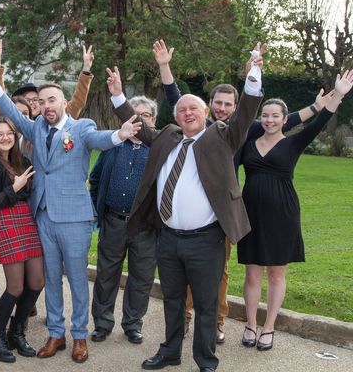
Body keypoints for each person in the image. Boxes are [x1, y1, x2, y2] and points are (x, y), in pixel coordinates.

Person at [152, 39, 334, 342]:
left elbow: (282, 120)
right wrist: (164, 66)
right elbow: (177, 98)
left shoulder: (244, 130)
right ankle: (183, 320)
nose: (223, 108)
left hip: (223, 210)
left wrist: (317, 106)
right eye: (218, 103)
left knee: (219, 271)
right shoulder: (200, 124)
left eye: (228, 104)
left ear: (237, 108)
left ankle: (218, 322)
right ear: (210, 106)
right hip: (193, 208)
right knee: (185, 271)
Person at [0, 59, 141, 364]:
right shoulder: (36, 127)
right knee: (50, 279)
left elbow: (100, 140)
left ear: (64, 102)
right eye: (42, 102)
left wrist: (120, 134)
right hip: (42, 217)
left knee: (77, 279)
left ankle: (78, 336)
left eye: (52, 100)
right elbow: (10, 112)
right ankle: (55, 334)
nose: (47, 106)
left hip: (74, 218)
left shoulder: (81, 127)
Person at [107, 52, 262, 371]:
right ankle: (170, 351)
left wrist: (253, 75)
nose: (187, 112)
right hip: (168, 239)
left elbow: (246, 111)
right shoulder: (167, 136)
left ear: (205, 112)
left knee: (206, 304)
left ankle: (205, 358)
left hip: (206, 241)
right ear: (176, 116)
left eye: (193, 108)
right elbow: (137, 124)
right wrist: (118, 95)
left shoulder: (223, 136)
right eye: (181, 109)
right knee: (173, 300)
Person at [237, 70, 353, 352]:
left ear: (284, 119)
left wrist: (338, 94)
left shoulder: (293, 142)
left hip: (283, 215)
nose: (270, 120)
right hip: (250, 212)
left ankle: (269, 327)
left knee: (276, 273)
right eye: (265, 115)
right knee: (252, 274)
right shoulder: (247, 142)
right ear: (260, 118)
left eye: (276, 116)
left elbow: (321, 121)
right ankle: (251, 323)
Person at [89, 96, 158, 346]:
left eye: (146, 115)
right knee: (107, 274)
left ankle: (132, 324)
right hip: (113, 221)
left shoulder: (158, 149)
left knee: (141, 277)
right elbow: (95, 179)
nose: (139, 119)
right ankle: (102, 323)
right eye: (134, 114)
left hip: (146, 226)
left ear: (154, 120)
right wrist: (95, 209)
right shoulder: (113, 146)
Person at [0, 117, 44, 363]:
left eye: (9, 133)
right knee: (16, 286)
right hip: (5, 223)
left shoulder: (23, 161)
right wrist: (15, 188)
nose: (5, 137)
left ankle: (17, 332)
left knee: (37, 281)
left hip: (27, 222)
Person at [0, 39, 95, 119]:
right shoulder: (14, 120)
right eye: (27, 100)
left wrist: (86, 70)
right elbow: (0, 103)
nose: (32, 103)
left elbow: (77, 102)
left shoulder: (54, 119)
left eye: (36, 100)